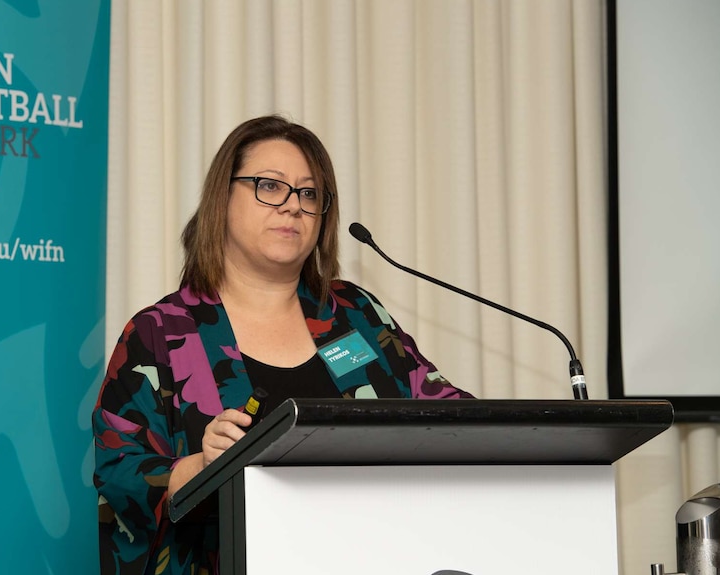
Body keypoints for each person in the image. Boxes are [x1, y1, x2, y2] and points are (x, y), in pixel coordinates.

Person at [92, 115, 474, 574]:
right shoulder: (160, 333)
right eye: (270, 186)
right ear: (222, 198)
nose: (292, 206)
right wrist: (198, 467)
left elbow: (451, 414)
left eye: (309, 193)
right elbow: (118, 472)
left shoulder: (356, 313)